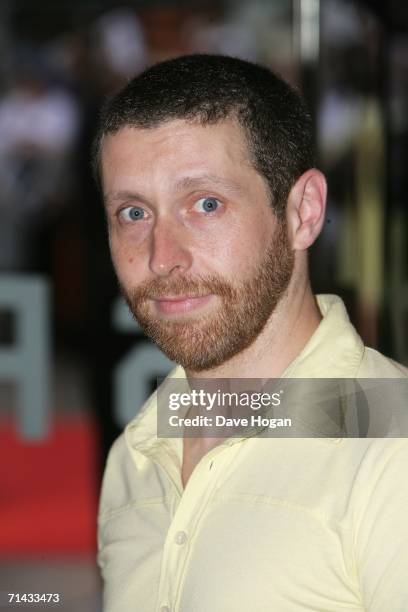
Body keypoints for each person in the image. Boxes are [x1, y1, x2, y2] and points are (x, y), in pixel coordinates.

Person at [93, 54, 408, 612]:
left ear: (303, 213)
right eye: (133, 214)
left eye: (206, 204)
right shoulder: (136, 458)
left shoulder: (392, 449)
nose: (162, 258)